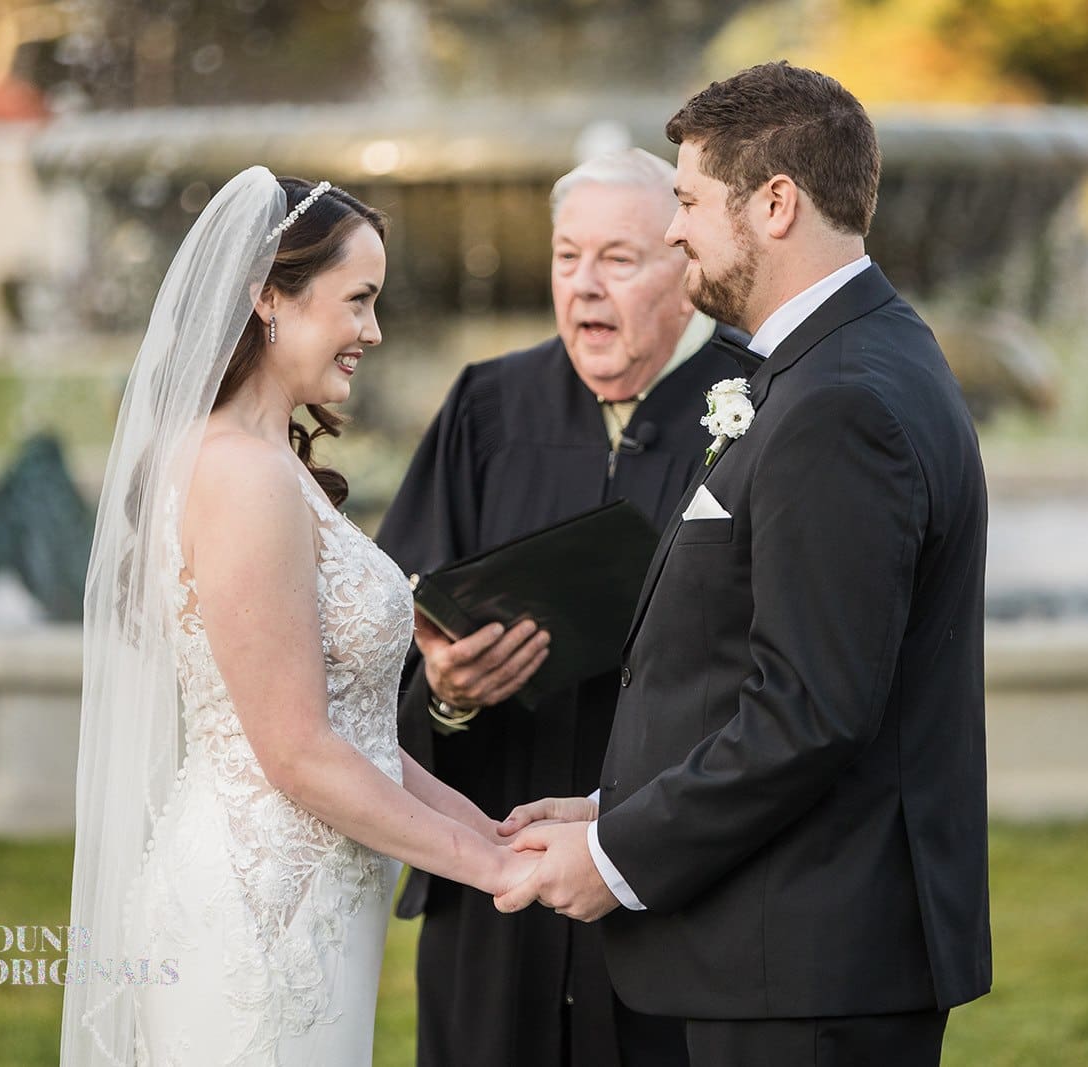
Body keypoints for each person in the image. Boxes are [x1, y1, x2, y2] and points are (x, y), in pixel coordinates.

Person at [497, 62, 993, 1067]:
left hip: (807, 967)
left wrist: (616, 855)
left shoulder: (840, 403)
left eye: (687, 201)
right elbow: (751, 663)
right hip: (788, 954)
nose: (674, 229)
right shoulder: (843, 359)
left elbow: (808, 710)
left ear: (774, 203)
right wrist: (613, 804)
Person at [60, 167, 535, 1067]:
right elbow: (299, 750)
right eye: (358, 300)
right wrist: (491, 869)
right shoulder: (242, 476)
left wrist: (493, 830)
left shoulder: (268, 460)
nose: (373, 331)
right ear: (268, 297)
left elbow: (355, 733)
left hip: (305, 902)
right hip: (259, 916)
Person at [374, 148, 751, 1067]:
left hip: (672, 892)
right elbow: (382, 638)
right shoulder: (488, 408)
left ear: (685, 264)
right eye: (567, 257)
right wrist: (447, 691)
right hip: (498, 882)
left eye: (617, 259)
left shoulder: (755, 403)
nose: (584, 285)